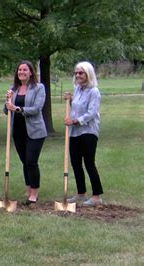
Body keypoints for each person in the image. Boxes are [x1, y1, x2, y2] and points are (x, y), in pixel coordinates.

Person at [4, 60, 47, 205]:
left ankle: (34, 192)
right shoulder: (14, 88)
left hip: (35, 131)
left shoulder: (38, 88)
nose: (21, 72)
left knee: (31, 161)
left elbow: (36, 108)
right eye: (19, 70)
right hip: (18, 130)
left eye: (25, 70)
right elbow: (6, 110)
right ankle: (28, 188)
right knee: (24, 161)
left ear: (31, 72)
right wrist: (7, 101)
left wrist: (18, 109)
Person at [64, 61, 103, 206]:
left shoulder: (94, 91)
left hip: (88, 131)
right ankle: (81, 193)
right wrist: (70, 100)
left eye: (81, 73)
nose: (78, 75)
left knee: (88, 162)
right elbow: (76, 107)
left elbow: (91, 113)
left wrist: (75, 121)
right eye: (76, 73)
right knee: (75, 163)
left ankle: (97, 196)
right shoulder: (77, 89)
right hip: (74, 133)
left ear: (88, 74)